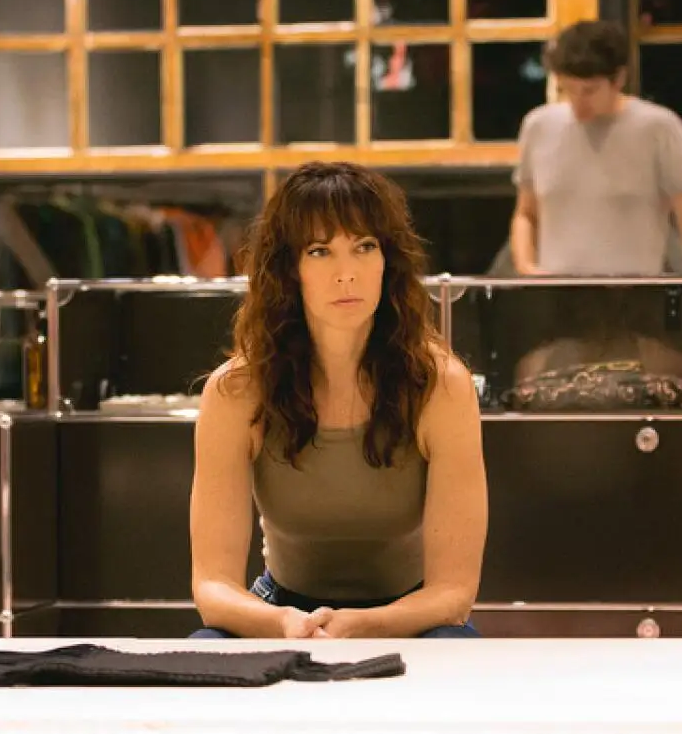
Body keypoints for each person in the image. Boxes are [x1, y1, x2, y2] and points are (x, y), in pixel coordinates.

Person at [188, 161, 488, 639]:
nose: (347, 274)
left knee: (456, 651)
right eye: (320, 251)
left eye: (364, 247)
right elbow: (212, 588)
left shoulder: (442, 388)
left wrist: (364, 626)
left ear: (388, 261)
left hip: (412, 617)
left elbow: (453, 593)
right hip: (282, 610)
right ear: (290, 270)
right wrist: (285, 623)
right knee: (205, 654)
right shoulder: (236, 392)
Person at [510, 20, 682, 277]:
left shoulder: (658, 128)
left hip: (637, 294)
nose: (579, 102)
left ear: (619, 78)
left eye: (589, 91)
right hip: (556, 294)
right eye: (567, 90)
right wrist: (526, 267)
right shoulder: (539, 126)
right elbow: (526, 215)